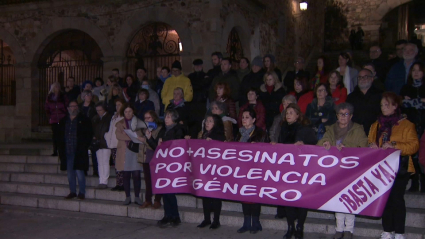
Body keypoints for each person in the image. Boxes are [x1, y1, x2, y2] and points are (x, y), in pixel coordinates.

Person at [368, 92, 419, 239]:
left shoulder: (407, 125)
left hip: (400, 167)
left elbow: (414, 146)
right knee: (384, 198)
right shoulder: (376, 125)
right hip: (381, 167)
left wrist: (395, 145)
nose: (383, 108)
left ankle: (399, 232)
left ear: (395, 106)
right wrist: (372, 147)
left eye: (387, 105)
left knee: (396, 198)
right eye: (382, 105)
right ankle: (387, 230)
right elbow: (370, 142)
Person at [318, 102, 368, 239]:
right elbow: (321, 143)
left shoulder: (358, 129)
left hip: (352, 169)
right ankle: (339, 228)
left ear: (351, 116)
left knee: (350, 198)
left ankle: (349, 230)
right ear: (337, 115)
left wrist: (348, 147)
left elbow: (364, 145)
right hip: (335, 170)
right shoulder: (330, 128)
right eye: (341, 114)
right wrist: (325, 144)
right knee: (337, 198)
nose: (343, 117)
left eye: (346, 114)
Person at [274, 103, 316, 239]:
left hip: (301, 170)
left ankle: (300, 227)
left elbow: (313, 145)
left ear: (298, 115)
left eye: (291, 113)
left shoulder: (305, 129)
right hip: (286, 169)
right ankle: (290, 226)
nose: (288, 115)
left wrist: (303, 145)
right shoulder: (283, 128)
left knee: (301, 199)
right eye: (287, 113)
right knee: (287, 198)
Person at [146, 109, 185, 227]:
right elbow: (157, 147)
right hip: (162, 163)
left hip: (172, 164)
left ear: (174, 118)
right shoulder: (163, 130)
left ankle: (175, 216)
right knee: (164, 190)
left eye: (168, 117)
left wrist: (164, 143)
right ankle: (167, 215)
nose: (166, 119)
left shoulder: (178, 129)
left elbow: (177, 145)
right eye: (166, 116)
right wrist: (150, 138)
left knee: (170, 192)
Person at [235, 109, 269, 234]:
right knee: (244, 196)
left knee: (254, 195)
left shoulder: (260, 133)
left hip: (255, 169)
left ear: (254, 120)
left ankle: (255, 222)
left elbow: (268, 150)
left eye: (247, 117)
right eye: (243, 117)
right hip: (242, 169)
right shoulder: (239, 134)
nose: (244, 119)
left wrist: (258, 146)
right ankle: (246, 223)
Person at [195, 114, 226, 229]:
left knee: (215, 195)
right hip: (204, 169)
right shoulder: (203, 134)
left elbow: (222, 150)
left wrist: (213, 143)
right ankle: (206, 219)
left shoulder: (219, 135)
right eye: (206, 121)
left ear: (215, 124)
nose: (207, 123)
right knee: (205, 195)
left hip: (215, 169)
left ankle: (216, 220)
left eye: (210, 121)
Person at [58, 100, 93, 200]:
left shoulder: (84, 119)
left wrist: (84, 145)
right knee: (70, 173)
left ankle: (82, 192)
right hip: (67, 151)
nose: (73, 108)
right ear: (68, 108)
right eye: (71, 106)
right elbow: (60, 136)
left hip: (79, 151)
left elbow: (89, 134)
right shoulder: (64, 120)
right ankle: (72, 191)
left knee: (79, 172)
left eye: (75, 106)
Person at [400, 62, 425, 192]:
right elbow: (403, 104)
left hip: (424, 125)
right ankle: (414, 183)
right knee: (413, 155)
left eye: (419, 70)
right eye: (413, 70)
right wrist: (420, 101)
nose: (416, 72)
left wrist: (411, 101)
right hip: (411, 126)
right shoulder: (406, 87)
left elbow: (408, 103)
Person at [115, 103, 143, 205]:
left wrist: (127, 134)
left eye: (130, 111)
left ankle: (137, 197)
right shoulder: (119, 123)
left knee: (136, 174)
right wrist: (132, 136)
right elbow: (119, 136)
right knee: (125, 174)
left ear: (133, 112)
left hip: (135, 151)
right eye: (126, 112)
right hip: (124, 151)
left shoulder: (138, 122)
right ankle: (127, 197)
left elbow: (140, 136)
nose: (128, 113)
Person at [137, 110, 163, 209]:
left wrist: (146, 139)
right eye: (145, 118)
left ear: (154, 118)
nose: (147, 120)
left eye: (149, 118)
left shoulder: (159, 129)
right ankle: (148, 200)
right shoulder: (143, 129)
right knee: (148, 181)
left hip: (155, 157)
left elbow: (155, 145)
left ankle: (157, 200)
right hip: (145, 157)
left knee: (157, 179)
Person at [346, 69, 382, 135]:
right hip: (355, 134)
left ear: (372, 79)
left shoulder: (380, 95)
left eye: (365, 77)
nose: (362, 79)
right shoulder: (350, 97)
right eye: (360, 77)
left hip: (375, 133)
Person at [104, 98, 125, 192]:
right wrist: (107, 137)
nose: (117, 107)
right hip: (113, 144)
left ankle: (123, 183)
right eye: (116, 105)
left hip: (120, 144)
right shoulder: (114, 117)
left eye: (119, 105)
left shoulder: (124, 118)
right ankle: (118, 183)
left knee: (121, 165)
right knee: (116, 165)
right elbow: (110, 130)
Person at [92, 102, 112, 189]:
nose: (99, 112)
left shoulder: (109, 118)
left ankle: (104, 181)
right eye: (97, 110)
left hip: (106, 142)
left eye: (100, 110)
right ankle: (101, 180)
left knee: (105, 162)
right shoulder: (96, 118)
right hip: (98, 142)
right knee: (100, 163)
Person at [45, 82, 68, 156]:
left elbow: (67, 105)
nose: (56, 89)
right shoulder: (49, 97)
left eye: (58, 87)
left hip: (62, 118)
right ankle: (55, 150)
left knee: (62, 135)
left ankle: (62, 150)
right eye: (55, 87)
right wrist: (50, 116)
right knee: (55, 135)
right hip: (54, 119)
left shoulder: (63, 96)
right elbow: (47, 108)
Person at [188, 59, 208, 138]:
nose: (198, 67)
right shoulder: (190, 76)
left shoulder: (205, 75)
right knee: (192, 125)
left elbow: (205, 87)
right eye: (196, 66)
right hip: (192, 104)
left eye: (199, 65)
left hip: (202, 103)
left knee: (201, 124)